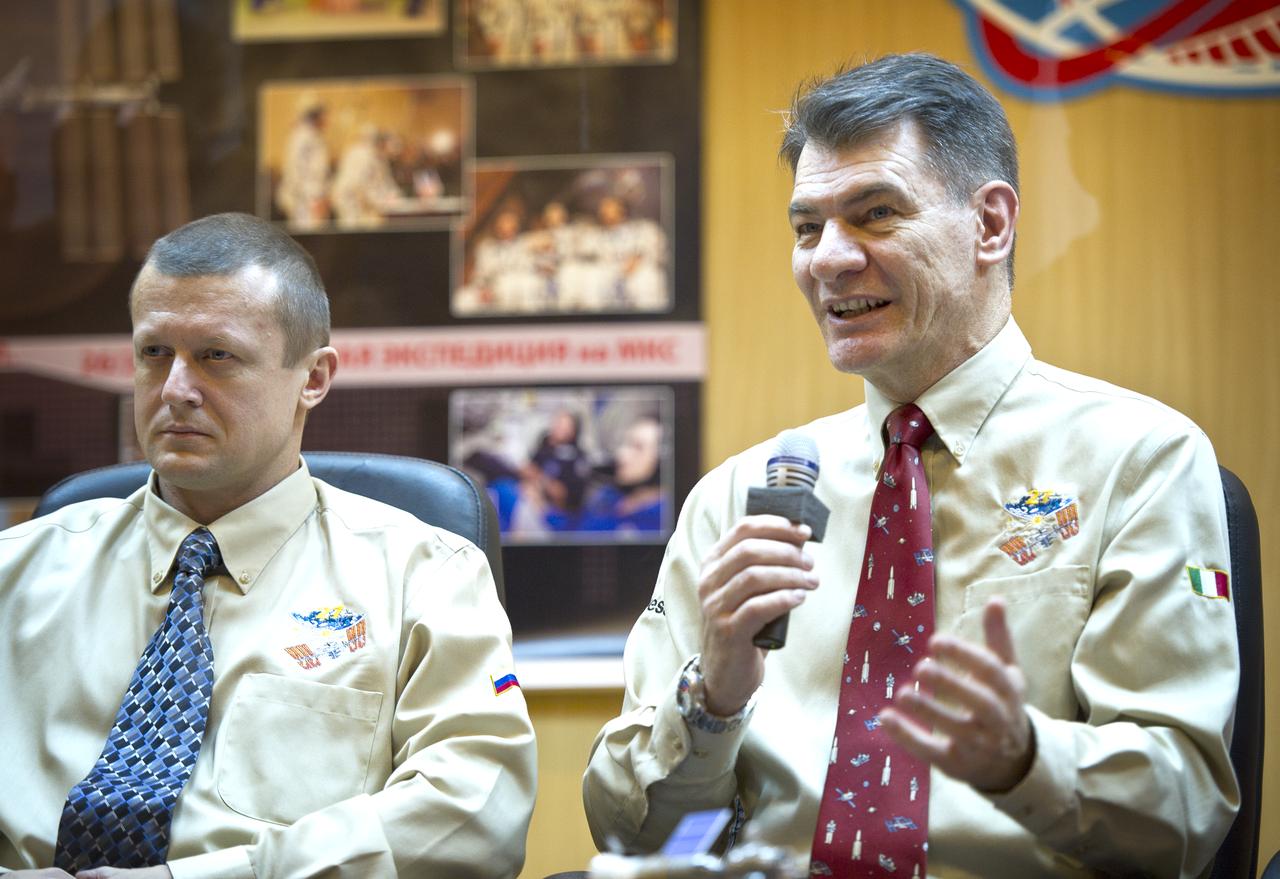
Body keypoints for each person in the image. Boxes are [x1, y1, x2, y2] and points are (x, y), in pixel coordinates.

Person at [582, 53, 1238, 878]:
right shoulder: (739, 499)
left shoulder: (1140, 460)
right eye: (806, 227)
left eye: (875, 213)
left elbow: (1187, 815)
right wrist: (709, 700)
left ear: (990, 225)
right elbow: (628, 835)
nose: (827, 259)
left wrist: (1023, 757)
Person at [0, 213, 537, 878]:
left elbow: (477, 813)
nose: (175, 389)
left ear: (313, 378)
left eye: (216, 356)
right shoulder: (15, 570)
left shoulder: (424, 574)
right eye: (153, 353)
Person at [275, 94, 331, 231]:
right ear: (314, 115)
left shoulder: (314, 136)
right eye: (324, 114)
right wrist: (315, 199)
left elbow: (319, 171)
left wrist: (324, 195)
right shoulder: (302, 136)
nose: (327, 118)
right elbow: (296, 172)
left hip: (312, 198)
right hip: (303, 201)